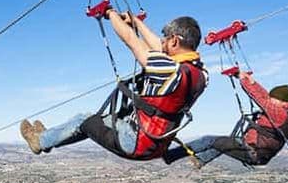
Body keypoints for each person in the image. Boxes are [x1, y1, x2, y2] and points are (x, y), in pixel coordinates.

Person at [20, 10, 207, 160]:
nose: (161, 42)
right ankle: (49, 139)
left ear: (174, 40)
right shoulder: (201, 74)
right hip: (157, 143)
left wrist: (109, 13)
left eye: (165, 39)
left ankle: (40, 141)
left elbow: (131, 40)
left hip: (136, 140)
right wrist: (136, 22)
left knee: (83, 119)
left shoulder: (168, 69)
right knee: (94, 122)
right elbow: (159, 48)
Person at [162, 71, 288, 168]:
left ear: (281, 100)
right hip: (257, 151)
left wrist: (243, 79)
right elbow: (265, 97)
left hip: (253, 151)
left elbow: (261, 99)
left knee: (208, 140)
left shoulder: (280, 113)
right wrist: (252, 81)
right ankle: (200, 160)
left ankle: (170, 155)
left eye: (273, 99)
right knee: (221, 143)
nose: (270, 100)